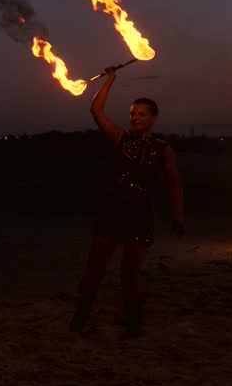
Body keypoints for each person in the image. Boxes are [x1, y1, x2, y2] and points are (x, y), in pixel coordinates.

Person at [69, 65, 184, 337]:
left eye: (141, 114)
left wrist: (178, 214)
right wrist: (110, 79)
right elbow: (96, 111)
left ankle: (134, 326)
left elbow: (173, 183)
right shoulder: (120, 139)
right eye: (132, 113)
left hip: (140, 214)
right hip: (113, 210)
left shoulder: (163, 149)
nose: (135, 117)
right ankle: (78, 321)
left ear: (153, 118)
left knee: (129, 276)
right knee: (94, 271)